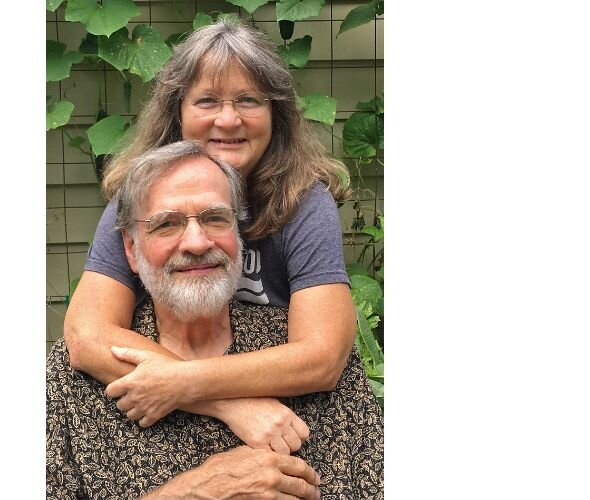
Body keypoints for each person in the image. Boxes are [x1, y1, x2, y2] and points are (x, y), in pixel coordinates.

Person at [63, 15, 358, 450]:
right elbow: (87, 336)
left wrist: (183, 382)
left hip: (287, 420)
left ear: (276, 112)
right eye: (206, 101)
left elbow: (322, 357)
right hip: (159, 422)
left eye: (248, 100)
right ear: (177, 112)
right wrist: (229, 405)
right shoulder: (142, 194)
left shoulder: (303, 202)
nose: (228, 120)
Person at [46, 141, 384, 499]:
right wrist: (188, 494)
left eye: (215, 218)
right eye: (167, 224)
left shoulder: (303, 361)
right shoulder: (78, 383)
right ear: (131, 249)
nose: (195, 242)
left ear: (238, 237)